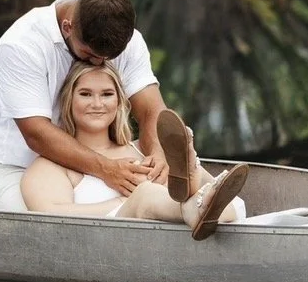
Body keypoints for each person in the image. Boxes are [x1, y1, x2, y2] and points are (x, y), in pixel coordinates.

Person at [19, 61, 248, 240]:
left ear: (119, 102)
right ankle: (193, 204)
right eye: (86, 94)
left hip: (173, 233)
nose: (97, 104)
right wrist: (123, 202)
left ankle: (193, 189)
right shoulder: (51, 165)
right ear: (69, 101)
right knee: (146, 194)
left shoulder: (144, 151)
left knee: (227, 206)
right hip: (107, 239)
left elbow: (231, 203)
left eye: (107, 94)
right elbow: (49, 216)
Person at [0, 0, 166, 213]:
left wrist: (159, 152)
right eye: (90, 54)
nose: (99, 63)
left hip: (110, 162)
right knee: (39, 232)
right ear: (67, 27)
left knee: (158, 206)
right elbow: (36, 133)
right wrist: (105, 170)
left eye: (108, 57)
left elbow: (152, 110)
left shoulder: (126, 41)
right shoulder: (21, 46)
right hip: (23, 167)